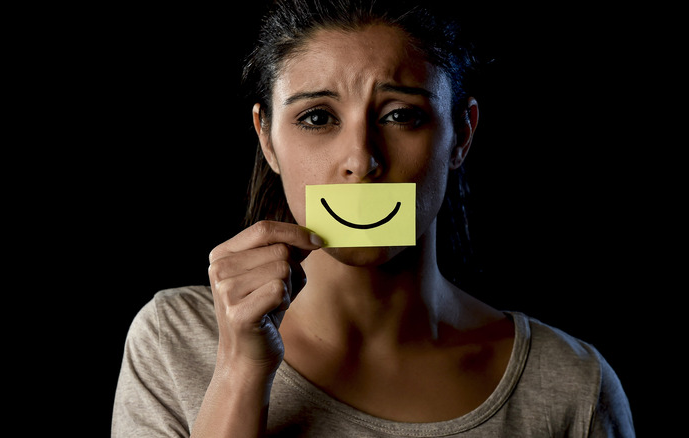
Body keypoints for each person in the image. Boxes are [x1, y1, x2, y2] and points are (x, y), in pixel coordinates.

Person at [112, 0, 635, 436]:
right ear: (266, 138)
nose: (360, 159)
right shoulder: (171, 341)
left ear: (462, 133)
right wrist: (240, 370)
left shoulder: (573, 386)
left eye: (400, 116)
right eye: (317, 118)